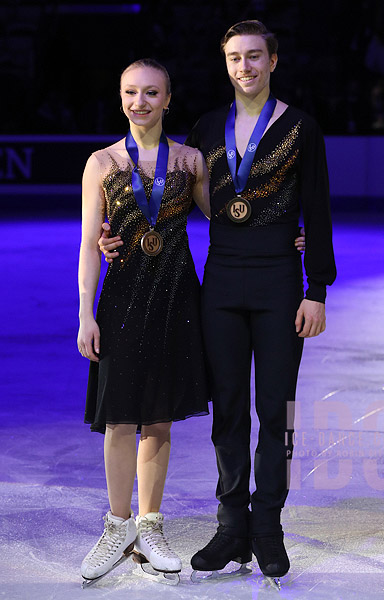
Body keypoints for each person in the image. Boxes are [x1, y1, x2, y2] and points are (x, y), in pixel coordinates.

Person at [98, 19, 335, 589]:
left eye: (255, 56)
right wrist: (117, 235)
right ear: (225, 63)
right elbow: (175, 200)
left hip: (281, 285)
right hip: (221, 286)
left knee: (276, 411)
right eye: (235, 57)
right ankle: (231, 527)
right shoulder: (207, 127)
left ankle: (268, 529)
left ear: (273, 61)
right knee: (227, 411)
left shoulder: (302, 129)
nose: (245, 67)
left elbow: (319, 212)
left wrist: (316, 287)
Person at [77, 58, 210, 587]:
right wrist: (85, 312)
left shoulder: (191, 161)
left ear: (168, 100)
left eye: (151, 93)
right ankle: (117, 526)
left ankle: (150, 525)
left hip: (178, 298)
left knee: (159, 419)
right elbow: (90, 242)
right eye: (131, 92)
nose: (140, 102)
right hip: (123, 298)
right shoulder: (103, 163)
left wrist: (288, 239)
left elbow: (225, 220)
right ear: (120, 97)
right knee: (119, 418)